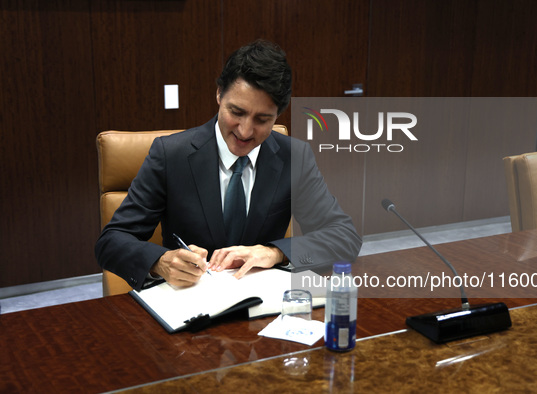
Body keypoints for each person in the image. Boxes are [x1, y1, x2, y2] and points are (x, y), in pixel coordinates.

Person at [95, 40, 361, 291]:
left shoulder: (295, 156)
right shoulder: (170, 155)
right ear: (219, 94)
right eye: (237, 112)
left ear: (278, 115)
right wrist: (160, 261)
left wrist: (275, 252)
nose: (245, 131)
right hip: (188, 305)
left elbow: (344, 238)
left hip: (263, 306)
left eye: (262, 119)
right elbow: (111, 242)